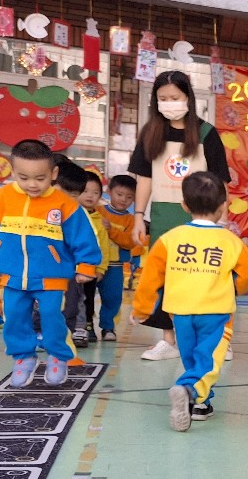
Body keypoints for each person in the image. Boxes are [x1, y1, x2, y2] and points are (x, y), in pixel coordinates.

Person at [0, 139, 101, 387]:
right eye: (24, 177)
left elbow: (83, 237)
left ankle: (58, 356)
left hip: (51, 276)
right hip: (12, 275)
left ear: (54, 173)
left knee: (52, 316)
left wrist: (86, 266)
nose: (32, 184)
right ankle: (23, 357)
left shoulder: (65, 205)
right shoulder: (1, 199)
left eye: (40, 178)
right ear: (13, 171)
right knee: (14, 317)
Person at [130, 172, 248, 431]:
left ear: (184, 206)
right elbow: (247, 275)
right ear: (223, 206)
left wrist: (141, 309)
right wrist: (236, 289)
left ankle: (200, 404)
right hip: (216, 313)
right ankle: (188, 389)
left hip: (180, 312)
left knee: (191, 357)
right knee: (209, 359)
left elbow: (150, 278)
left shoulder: (170, 239)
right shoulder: (231, 242)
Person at [127, 70, 230, 361]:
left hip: (202, 217)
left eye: (175, 97)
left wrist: (220, 221)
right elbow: (144, 179)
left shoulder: (206, 133)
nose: (169, 103)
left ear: (188, 98)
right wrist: (139, 216)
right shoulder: (150, 133)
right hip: (164, 216)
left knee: (204, 279)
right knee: (166, 279)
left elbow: (221, 183)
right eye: (163, 98)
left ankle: (215, 339)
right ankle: (169, 340)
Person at [56, 163, 112, 347]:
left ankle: (80, 328)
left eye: (95, 192)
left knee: (79, 299)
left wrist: (98, 268)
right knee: (50, 300)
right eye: (85, 191)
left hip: (81, 268)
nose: (89, 196)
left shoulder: (91, 219)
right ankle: (46, 330)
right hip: (54, 267)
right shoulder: (57, 212)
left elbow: (98, 245)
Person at [99, 174, 140, 337]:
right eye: (119, 194)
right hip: (94, 262)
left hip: (115, 266)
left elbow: (129, 242)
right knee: (85, 296)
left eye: (129, 197)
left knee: (113, 297)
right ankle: (85, 325)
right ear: (109, 191)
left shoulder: (131, 220)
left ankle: (108, 327)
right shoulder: (99, 211)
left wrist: (111, 230)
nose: (123, 200)